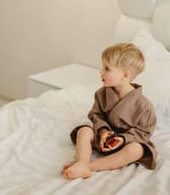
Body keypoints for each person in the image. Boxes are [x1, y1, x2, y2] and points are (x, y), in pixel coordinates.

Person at [62, 43, 157, 180]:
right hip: (103, 138)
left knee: (137, 150)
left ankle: (89, 167)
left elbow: (144, 133)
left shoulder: (144, 106)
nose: (101, 72)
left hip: (125, 143)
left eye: (107, 69)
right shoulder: (101, 94)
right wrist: (103, 131)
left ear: (125, 75)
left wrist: (123, 139)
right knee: (84, 131)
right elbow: (96, 115)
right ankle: (81, 161)